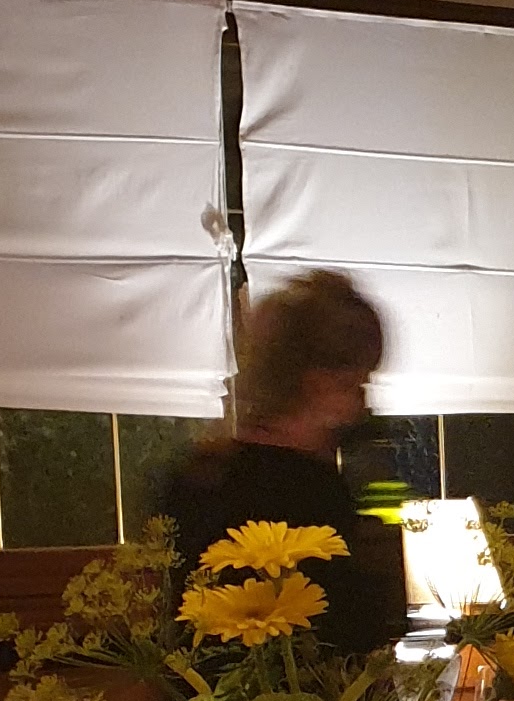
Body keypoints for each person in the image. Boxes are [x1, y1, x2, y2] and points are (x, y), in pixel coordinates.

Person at [154, 271, 409, 655]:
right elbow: (356, 630)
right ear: (318, 382)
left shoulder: (197, 476)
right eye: (357, 384)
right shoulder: (313, 492)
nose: (363, 404)